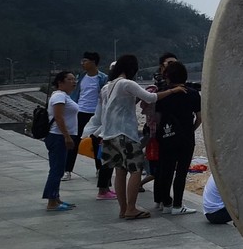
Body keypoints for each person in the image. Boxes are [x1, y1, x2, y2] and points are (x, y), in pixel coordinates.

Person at [99, 54, 185, 221]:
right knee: (136, 170)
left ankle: (123, 209)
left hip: (110, 134)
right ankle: (131, 208)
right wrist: (173, 90)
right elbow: (151, 98)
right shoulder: (126, 83)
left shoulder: (108, 86)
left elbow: (122, 104)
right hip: (125, 134)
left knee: (120, 171)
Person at [152, 61, 201, 214]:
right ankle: (178, 205)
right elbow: (199, 118)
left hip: (166, 136)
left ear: (168, 77)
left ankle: (166, 203)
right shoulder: (192, 93)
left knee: (166, 170)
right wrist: (190, 130)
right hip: (186, 138)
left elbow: (157, 118)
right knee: (181, 172)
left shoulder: (163, 94)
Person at [73, 52, 114, 198]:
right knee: (75, 140)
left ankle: (99, 171)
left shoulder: (102, 79)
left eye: (85, 60)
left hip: (96, 114)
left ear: (94, 62)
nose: (82, 63)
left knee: (98, 143)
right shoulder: (81, 77)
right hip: (81, 112)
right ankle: (68, 170)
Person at [43, 70, 79, 211]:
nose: (73, 82)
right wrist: (66, 136)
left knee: (58, 169)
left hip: (60, 136)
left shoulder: (64, 96)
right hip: (58, 137)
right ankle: (51, 202)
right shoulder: (59, 96)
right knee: (56, 170)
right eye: (70, 79)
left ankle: (56, 198)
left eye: (74, 79)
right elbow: (59, 117)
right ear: (60, 82)